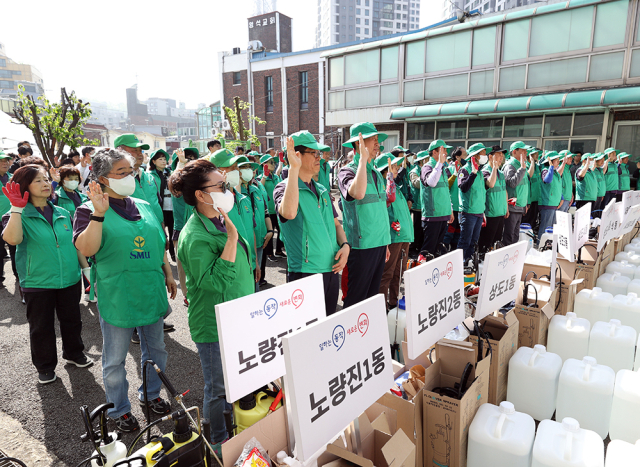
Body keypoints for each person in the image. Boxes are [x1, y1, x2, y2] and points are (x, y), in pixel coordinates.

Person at [74, 149, 177, 432]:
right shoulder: (87, 209)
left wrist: (168, 272)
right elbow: (86, 248)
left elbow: (158, 244)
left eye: (130, 171)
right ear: (102, 178)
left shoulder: (143, 205)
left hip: (149, 287)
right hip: (118, 294)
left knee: (156, 350)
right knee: (115, 359)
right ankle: (119, 409)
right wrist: (98, 214)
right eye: (121, 173)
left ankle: (151, 395)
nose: (129, 177)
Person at [169, 159, 253, 451]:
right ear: (201, 195)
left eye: (225, 184)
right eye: (220, 186)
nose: (227, 190)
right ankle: (217, 440)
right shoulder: (195, 236)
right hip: (215, 323)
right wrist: (231, 238)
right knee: (218, 388)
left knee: (239, 381)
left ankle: (234, 428)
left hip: (238, 314)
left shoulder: (219, 217)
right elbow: (215, 282)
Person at [2, 165, 92, 384]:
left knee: (72, 320)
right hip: (38, 281)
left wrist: (87, 272)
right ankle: (45, 366)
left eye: (45, 179)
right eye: (38, 181)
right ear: (25, 186)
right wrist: (16, 208)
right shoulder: (16, 214)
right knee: (41, 327)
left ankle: (74, 353)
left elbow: (75, 245)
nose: (45, 184)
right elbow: (12, 240)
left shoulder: (62, 212)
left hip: (69, 278)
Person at [274, 132, 349, 315]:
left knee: (327, 327)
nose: (319, 158)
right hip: (305, 272)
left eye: (319, 153)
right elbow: (289, 213)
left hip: (330, 270)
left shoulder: (321, 189)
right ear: (297, 155)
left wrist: (345, 246)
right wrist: (293, 169)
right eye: (314, 153)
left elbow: (336, 225)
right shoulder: (283, 187)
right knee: (306, 334)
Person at [338, 122, 391, 308]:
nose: (378, 144)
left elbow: (381, 211)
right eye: (373, 140)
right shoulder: (347, 171)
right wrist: (362, 160)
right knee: (356, 301)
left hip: (379, 244)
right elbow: (358, 194)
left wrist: (385, 243)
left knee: (371, 299)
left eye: (378, 140)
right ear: (358, 144)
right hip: (361, 247)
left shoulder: (376, 173)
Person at [209, 149, 260, 286]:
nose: (236, 171)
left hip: (251, 267)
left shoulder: (244, 199)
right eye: (231, 168)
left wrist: (255, 262)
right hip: (231, 271)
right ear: (217, 172)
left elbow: (251, 232)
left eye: (236, 167)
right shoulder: (213, 206)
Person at [375, 153, 413, 310]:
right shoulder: (383, 185)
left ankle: (393, 302)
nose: (397, 169)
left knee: (399, 273)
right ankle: (381, 308)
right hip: (393, 235)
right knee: (387, 274)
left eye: (397, 166)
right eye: (394, 166)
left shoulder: (395, 186)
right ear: (385, 169)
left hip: (404, 235)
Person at [114, 134, 163, 225]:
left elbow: (157, 205)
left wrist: (162, 229)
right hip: (133, 232)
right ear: (119, 152)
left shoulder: (150, 177)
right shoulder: (114, 180)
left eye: (140, 150)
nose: (140, 154)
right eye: (134, 150)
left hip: (155, 229)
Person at [240, 156, 273, 292]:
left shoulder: (256, 189)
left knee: (256, 274)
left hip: (259, 240)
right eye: (245, 168)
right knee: (245, 278)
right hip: (243, 243)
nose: (250, 171)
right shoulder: (234, 194)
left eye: (251, 168)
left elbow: (265, 211)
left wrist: (270, 230)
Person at [419, 141, 454, 258]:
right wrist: (439, 163)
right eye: (443, 150)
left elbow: (446, 191)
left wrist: (451, 210)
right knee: (428, 249)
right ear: (434, 152)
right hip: (432, 216)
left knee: (438, 249)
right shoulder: (427, 167)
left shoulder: (442, 168)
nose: (446, 153)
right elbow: (431, 182)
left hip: (443, 214)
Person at [457, 143, 487, 263]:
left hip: (478, 212)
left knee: (474, 241)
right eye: (483, 154)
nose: (485, 156)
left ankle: (468, 263)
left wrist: (482, 212)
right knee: (465, 241)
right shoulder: (465, 170)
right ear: (474, 156)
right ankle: (459, 264)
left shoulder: (480, 172)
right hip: (468, 212)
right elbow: (463, 187)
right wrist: (473, 173)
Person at [478, 146, 508, 253]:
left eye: (502, 155)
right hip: (490, 214)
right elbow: (490, 184)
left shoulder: (500, 173)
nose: (501, 157)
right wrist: (494, 168)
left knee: (497, 242)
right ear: (490, 157)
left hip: (500, 212)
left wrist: (506, 208)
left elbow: (504, 190)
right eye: (499, 155)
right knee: (486, 242)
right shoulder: (485, 171)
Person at [147, 149, 176, 261]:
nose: (164, 161)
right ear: (153, 161)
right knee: (160, 232)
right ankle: (161, 256)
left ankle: (173, 255)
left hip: (171, 207)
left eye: (165, 159)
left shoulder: (169, 172)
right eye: (160, 159)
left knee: (173, 231)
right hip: (159, 208)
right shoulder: (150, 175)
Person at [502, 141, 530, 246]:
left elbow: (525, 186)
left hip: (520, 206)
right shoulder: (510, 166)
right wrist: (522, 169)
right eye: (523, 151)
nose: (526, 153)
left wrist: (526, 203)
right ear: (514, 152)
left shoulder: (522, 165)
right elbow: (512, 183)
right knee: (509, 236)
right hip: (512, 207)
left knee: (515, 236)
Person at [259, 153, 285, 260]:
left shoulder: (275, 177)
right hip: (268, 211)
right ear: (264, 164)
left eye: (274, 162)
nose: (273, 164)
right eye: (271, 162)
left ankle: (279, 250)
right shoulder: (261, 178)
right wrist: (264, 176)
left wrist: (281, 163)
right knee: (270, 232)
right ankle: (269, 254)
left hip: (277, 209)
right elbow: (260, 187)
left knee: (281, 231)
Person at [538, 151, 564, 235]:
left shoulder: (555, 172)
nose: (558, 162)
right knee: (545, 228)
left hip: (554, 204)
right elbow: (547, 180)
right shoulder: (545, 170)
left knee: (551, 229)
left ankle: (548, 246)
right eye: (557, 160)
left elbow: (558, 186)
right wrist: (551, 167)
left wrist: (562, 198)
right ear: (551, 161)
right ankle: (540, 246)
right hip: (547, 204)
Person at [443, 147, 465, 250]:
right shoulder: (449, 169)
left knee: (458, 234)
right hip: (452, 207)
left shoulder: (466, 169)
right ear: (457, 157)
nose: (467, 157)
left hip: (462, 207)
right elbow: (447, 186)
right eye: (465, 154)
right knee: (448, 235)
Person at [408, 151, 428, 254]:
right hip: (416, 206)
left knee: (422, 230)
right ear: (422, 161)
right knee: (416, 229)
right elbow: (417, 184)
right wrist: (426, 175)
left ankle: (419, 247)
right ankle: (413, 248)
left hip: (424, 206)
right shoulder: (414, 171)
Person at [593, 153, 607, 217]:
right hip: (595, 196)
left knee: (597, 213)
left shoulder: (600, 170)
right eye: (601, 159)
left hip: (600, 195)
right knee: (593, 213)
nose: (602, 161)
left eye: (603, 159)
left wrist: (602, 194)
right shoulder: (592, 170)